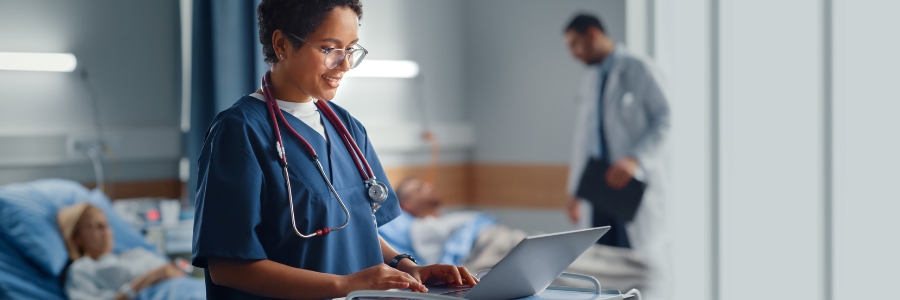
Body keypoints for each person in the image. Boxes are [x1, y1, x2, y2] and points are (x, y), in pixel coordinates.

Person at [190, 1, 476, 299]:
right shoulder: (240, 131)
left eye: (351, 48)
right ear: (282, 44)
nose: (345, 64)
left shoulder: (347, 128)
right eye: (330, 49)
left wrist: (404, 266)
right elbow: (227, 267)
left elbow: (356, 225)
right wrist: (343, 286)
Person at [563, 13, 671, 297]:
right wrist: (575, 193)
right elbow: (582, 140)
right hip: (597, 188)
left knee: (634, 269)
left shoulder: (639, 69)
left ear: (593, 35)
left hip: (630, 186)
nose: (574, 54)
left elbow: (666, 119)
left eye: (576, 45)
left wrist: (636, 158)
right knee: (602, 270)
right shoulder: (590, 80)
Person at [379, 177, 648, 291]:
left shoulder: (449, 217)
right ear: (406, 205)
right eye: (417, 188)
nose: (427, 186)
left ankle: (643, 266)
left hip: (501, 235)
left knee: (575, 251)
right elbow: (377, 229)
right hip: (484, 250)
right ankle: (644, 276)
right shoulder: (415, 226)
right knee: (564, 265)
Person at [57, 203, 200, 300]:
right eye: (96, 226)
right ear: (76, 238)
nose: (106, 232)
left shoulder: (133, 253)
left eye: (107, 226)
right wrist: (147, 279)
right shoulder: (81, 269)